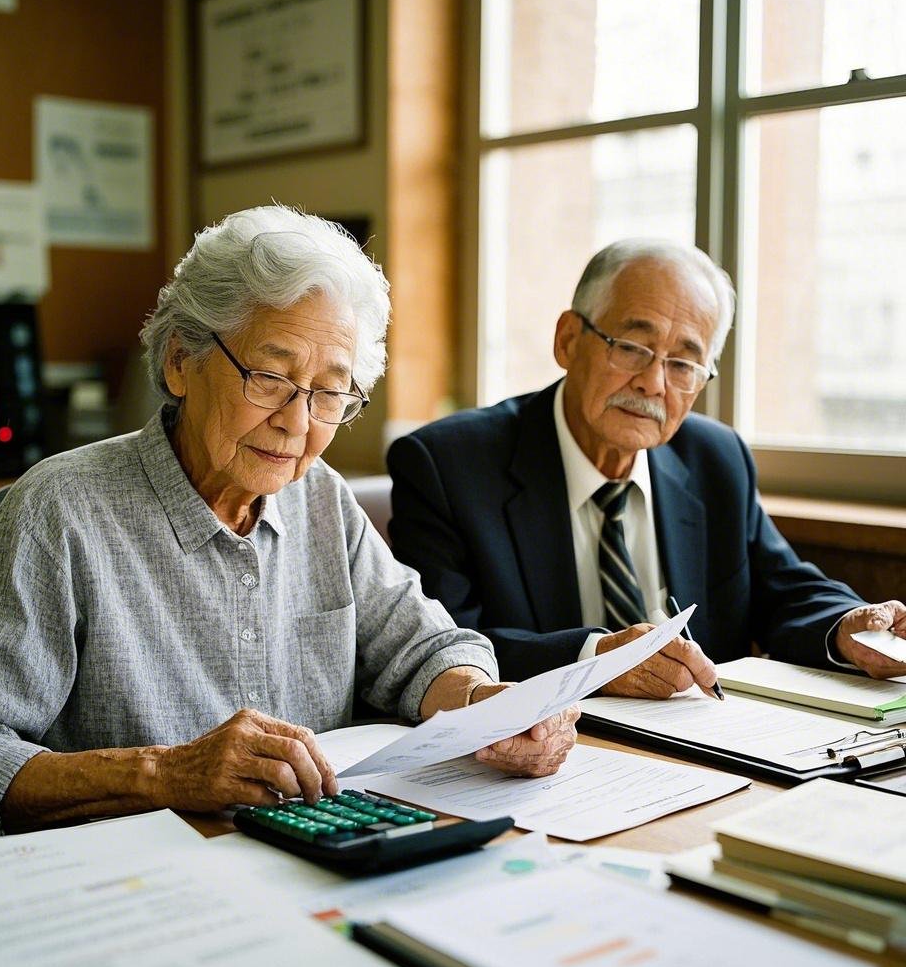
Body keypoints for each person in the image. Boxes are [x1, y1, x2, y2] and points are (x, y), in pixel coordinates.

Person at [0, 206, 578, 850]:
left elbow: (425, 646)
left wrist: (483, 704)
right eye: (270, 377)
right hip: (130, 886)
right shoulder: (59, 512)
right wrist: (164, 775)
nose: (298, 422)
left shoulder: (322, 501)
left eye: (330, 393)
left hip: (314, 863)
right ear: (180, 363)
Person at [388, 239, 906, 697]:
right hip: (537, 752)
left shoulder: (716, 458)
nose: (654, 383)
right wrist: (597, 661)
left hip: (707, 751)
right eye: (632, 348)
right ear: (568, 340)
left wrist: (846, 626)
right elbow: (444, 647)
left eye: (683, 364)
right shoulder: (448, 465)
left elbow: (784, 589)